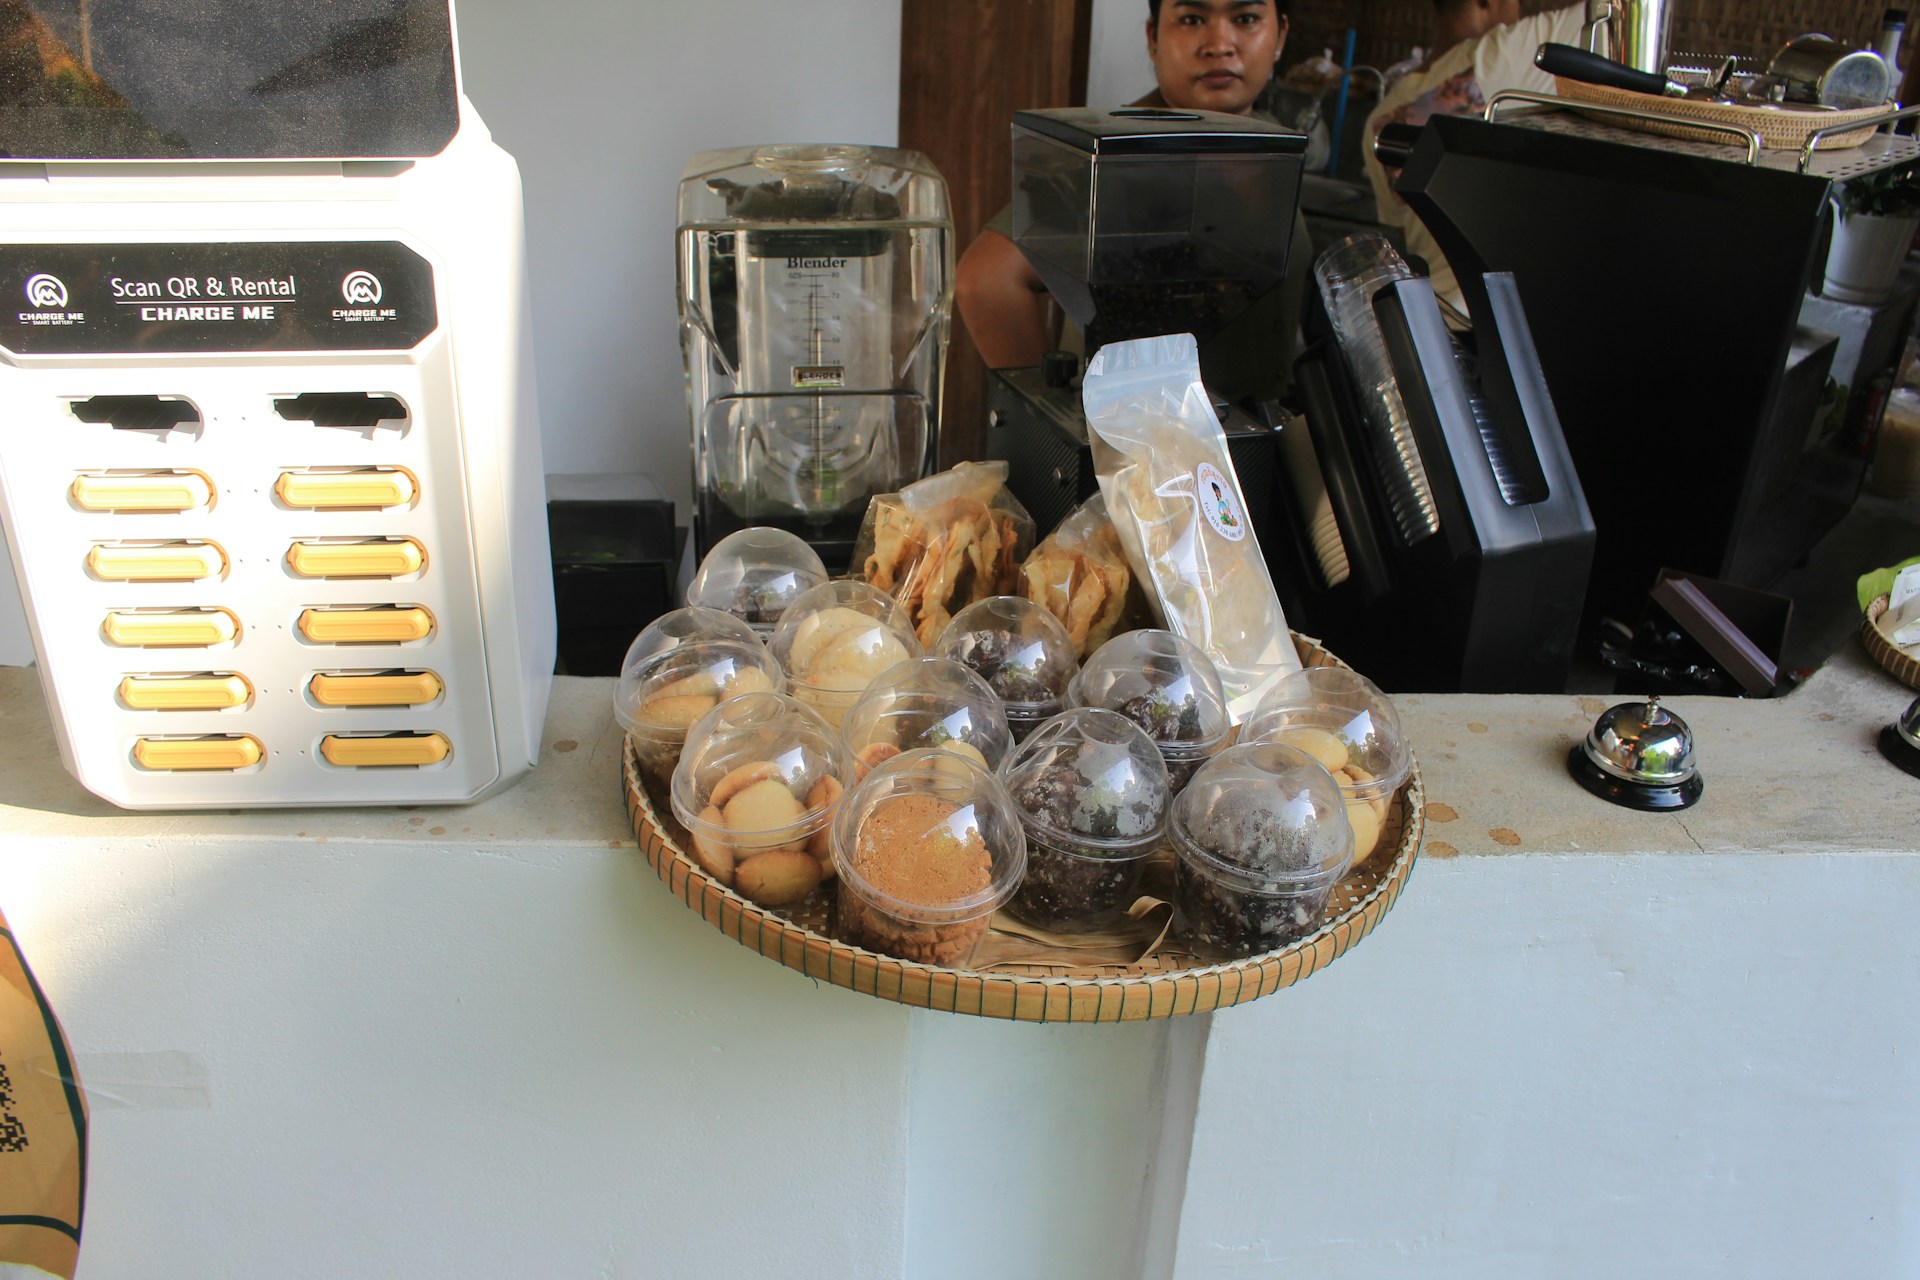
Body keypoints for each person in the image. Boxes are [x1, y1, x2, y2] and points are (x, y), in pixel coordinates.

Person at [956, 0, 1311, 393]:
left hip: (1256, 425)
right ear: (1153, 37)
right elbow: (986, 279)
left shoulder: (1273, 139)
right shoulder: (1119, 156)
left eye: (1245, 19)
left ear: (1280, 35)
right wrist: (1048, 410)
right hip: (1146, 429)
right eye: (1192, 19)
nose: (1219, 44)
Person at [1363, 0, 1586, 316]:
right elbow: (1614, 10)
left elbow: (1402, 240)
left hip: (1434, 322)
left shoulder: (1378, 123)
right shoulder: (1503, 55)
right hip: (1500, 320)